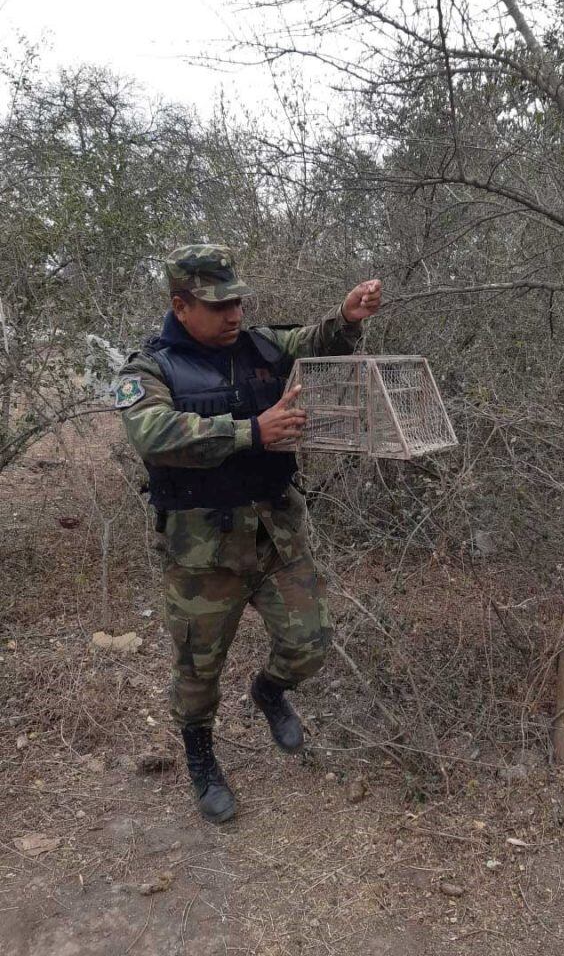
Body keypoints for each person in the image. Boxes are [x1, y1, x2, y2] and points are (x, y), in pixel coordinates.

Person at [115, 244, 382, 823]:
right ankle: (201, 756)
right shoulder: (150, 368)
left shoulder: (261, 345)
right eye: (218, 305)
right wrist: (250, 432)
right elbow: (153, 434)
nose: (233, 314)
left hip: (274, 536)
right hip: (201, 555)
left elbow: (314, 344)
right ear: (180, 305)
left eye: (237, 301)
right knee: (198, 671)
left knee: (310, 643)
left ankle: (268, 692)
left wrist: (345, 318)